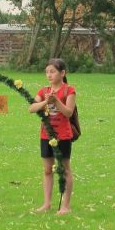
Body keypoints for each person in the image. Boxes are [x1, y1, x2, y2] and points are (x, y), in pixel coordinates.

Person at [29, 58, 77, 214]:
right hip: (46, 135)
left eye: (52, 72)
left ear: (62, 73)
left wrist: (56, 101)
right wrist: (45, 102)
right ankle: (47, 203)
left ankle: (65, 206)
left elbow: (68, 112)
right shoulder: (43, 91)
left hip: (63, 136)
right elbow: (31, 108)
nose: (49, 75)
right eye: (47, 72)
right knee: (47, 170)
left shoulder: (69, 90)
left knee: (64, 169)